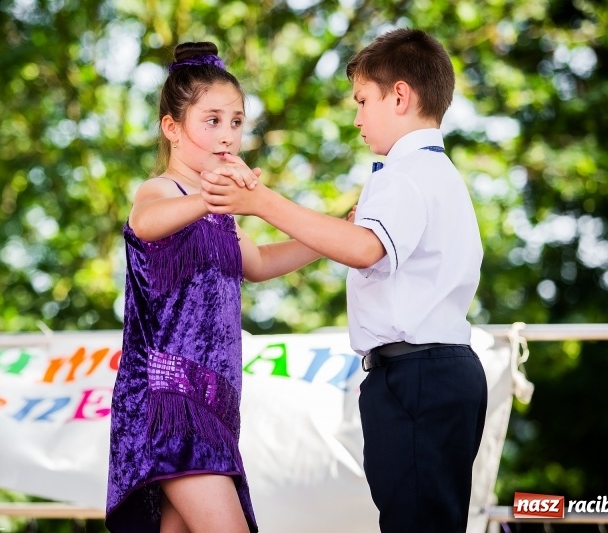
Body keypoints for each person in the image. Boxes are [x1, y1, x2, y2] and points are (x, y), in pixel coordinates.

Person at [201, 28, 488, 533]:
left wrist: (260, 203)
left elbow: (363, 248)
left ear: (400, 95)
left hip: (417, 373)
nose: (356, 117)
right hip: (426, 372)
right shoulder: (432, 172)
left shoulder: (405, 174)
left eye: (362, 101)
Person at [104, 41, 321, 533]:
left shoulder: (217, 209)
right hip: (170, 400)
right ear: (172, 129)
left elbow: (261, 261)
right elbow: (145, 222)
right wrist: (210, 195)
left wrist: (331, 234)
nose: (228, 136)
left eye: (237, 122)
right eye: (213, 120)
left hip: (216, 403)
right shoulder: (165, 190)